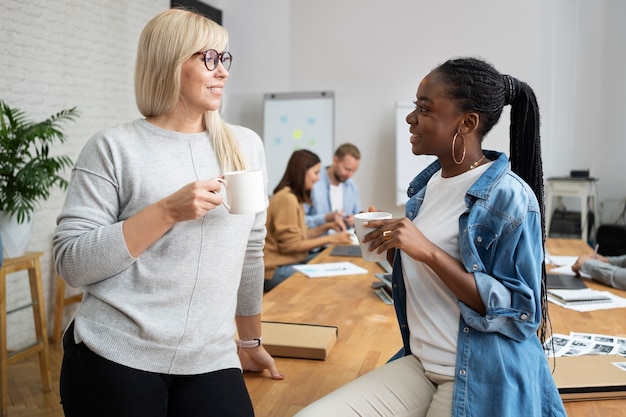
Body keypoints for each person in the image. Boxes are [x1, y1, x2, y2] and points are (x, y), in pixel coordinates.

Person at [295, 57, 566, 417]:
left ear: (466, 123)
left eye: (424, 109)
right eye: (414, 107)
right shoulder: (425, 189)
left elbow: (522, 312)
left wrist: (427, 252)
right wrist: (393, 248)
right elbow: (432, 279)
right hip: (422, 365)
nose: (411, 118)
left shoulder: (509, 197)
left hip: (477, 375)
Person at [52, 9, 282, 417]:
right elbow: (71, 263)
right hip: (116, 352)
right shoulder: (114, 148)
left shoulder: (245, 146)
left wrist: (249, 342)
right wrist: (165, 212)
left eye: (224, 58)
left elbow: (250, 250)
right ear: (170, 63)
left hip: (211, 356)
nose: (222, 72)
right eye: (208, 58)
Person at [264, 149, 353, 291]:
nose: (318, 178)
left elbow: (301, 234)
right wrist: (330, 239)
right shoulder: (287, 199)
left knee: (334, 262)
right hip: (275, 270)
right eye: (316, 173)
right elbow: (291, 246)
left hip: (289, 262)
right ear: (302, 172)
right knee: (331, 278)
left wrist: (327, 226)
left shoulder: (293, 197)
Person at [305, 143, 362, 231]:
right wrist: (325, 218)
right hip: (319, 242)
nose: (350, 175)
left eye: (353, 171)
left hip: (345, 240)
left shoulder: (351, 185)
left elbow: (358, 213)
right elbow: (300, 221)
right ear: (335, 161)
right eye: (347, 169)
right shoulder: (313, 182)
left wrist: (354, 220)